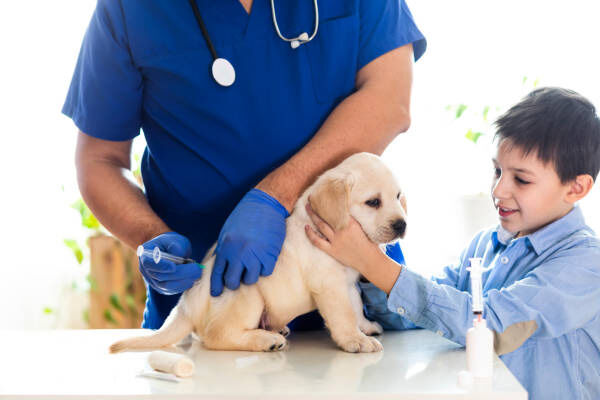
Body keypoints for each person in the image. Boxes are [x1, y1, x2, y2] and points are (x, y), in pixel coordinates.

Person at [62, 0, 426, 330]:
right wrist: (149, 235)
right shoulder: (129, 9)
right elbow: (100, 159)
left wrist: (275, 197)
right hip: (211, 312)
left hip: (356, 303)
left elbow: (390, 100)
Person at [305, 87, 600, 399]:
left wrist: (371, 262)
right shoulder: (484, 246)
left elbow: (489, 326)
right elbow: (417, 314)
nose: (498, 190)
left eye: (522, 179)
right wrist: (367, 266)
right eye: (497, 171)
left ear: (576, 188)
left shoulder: (586, 266)